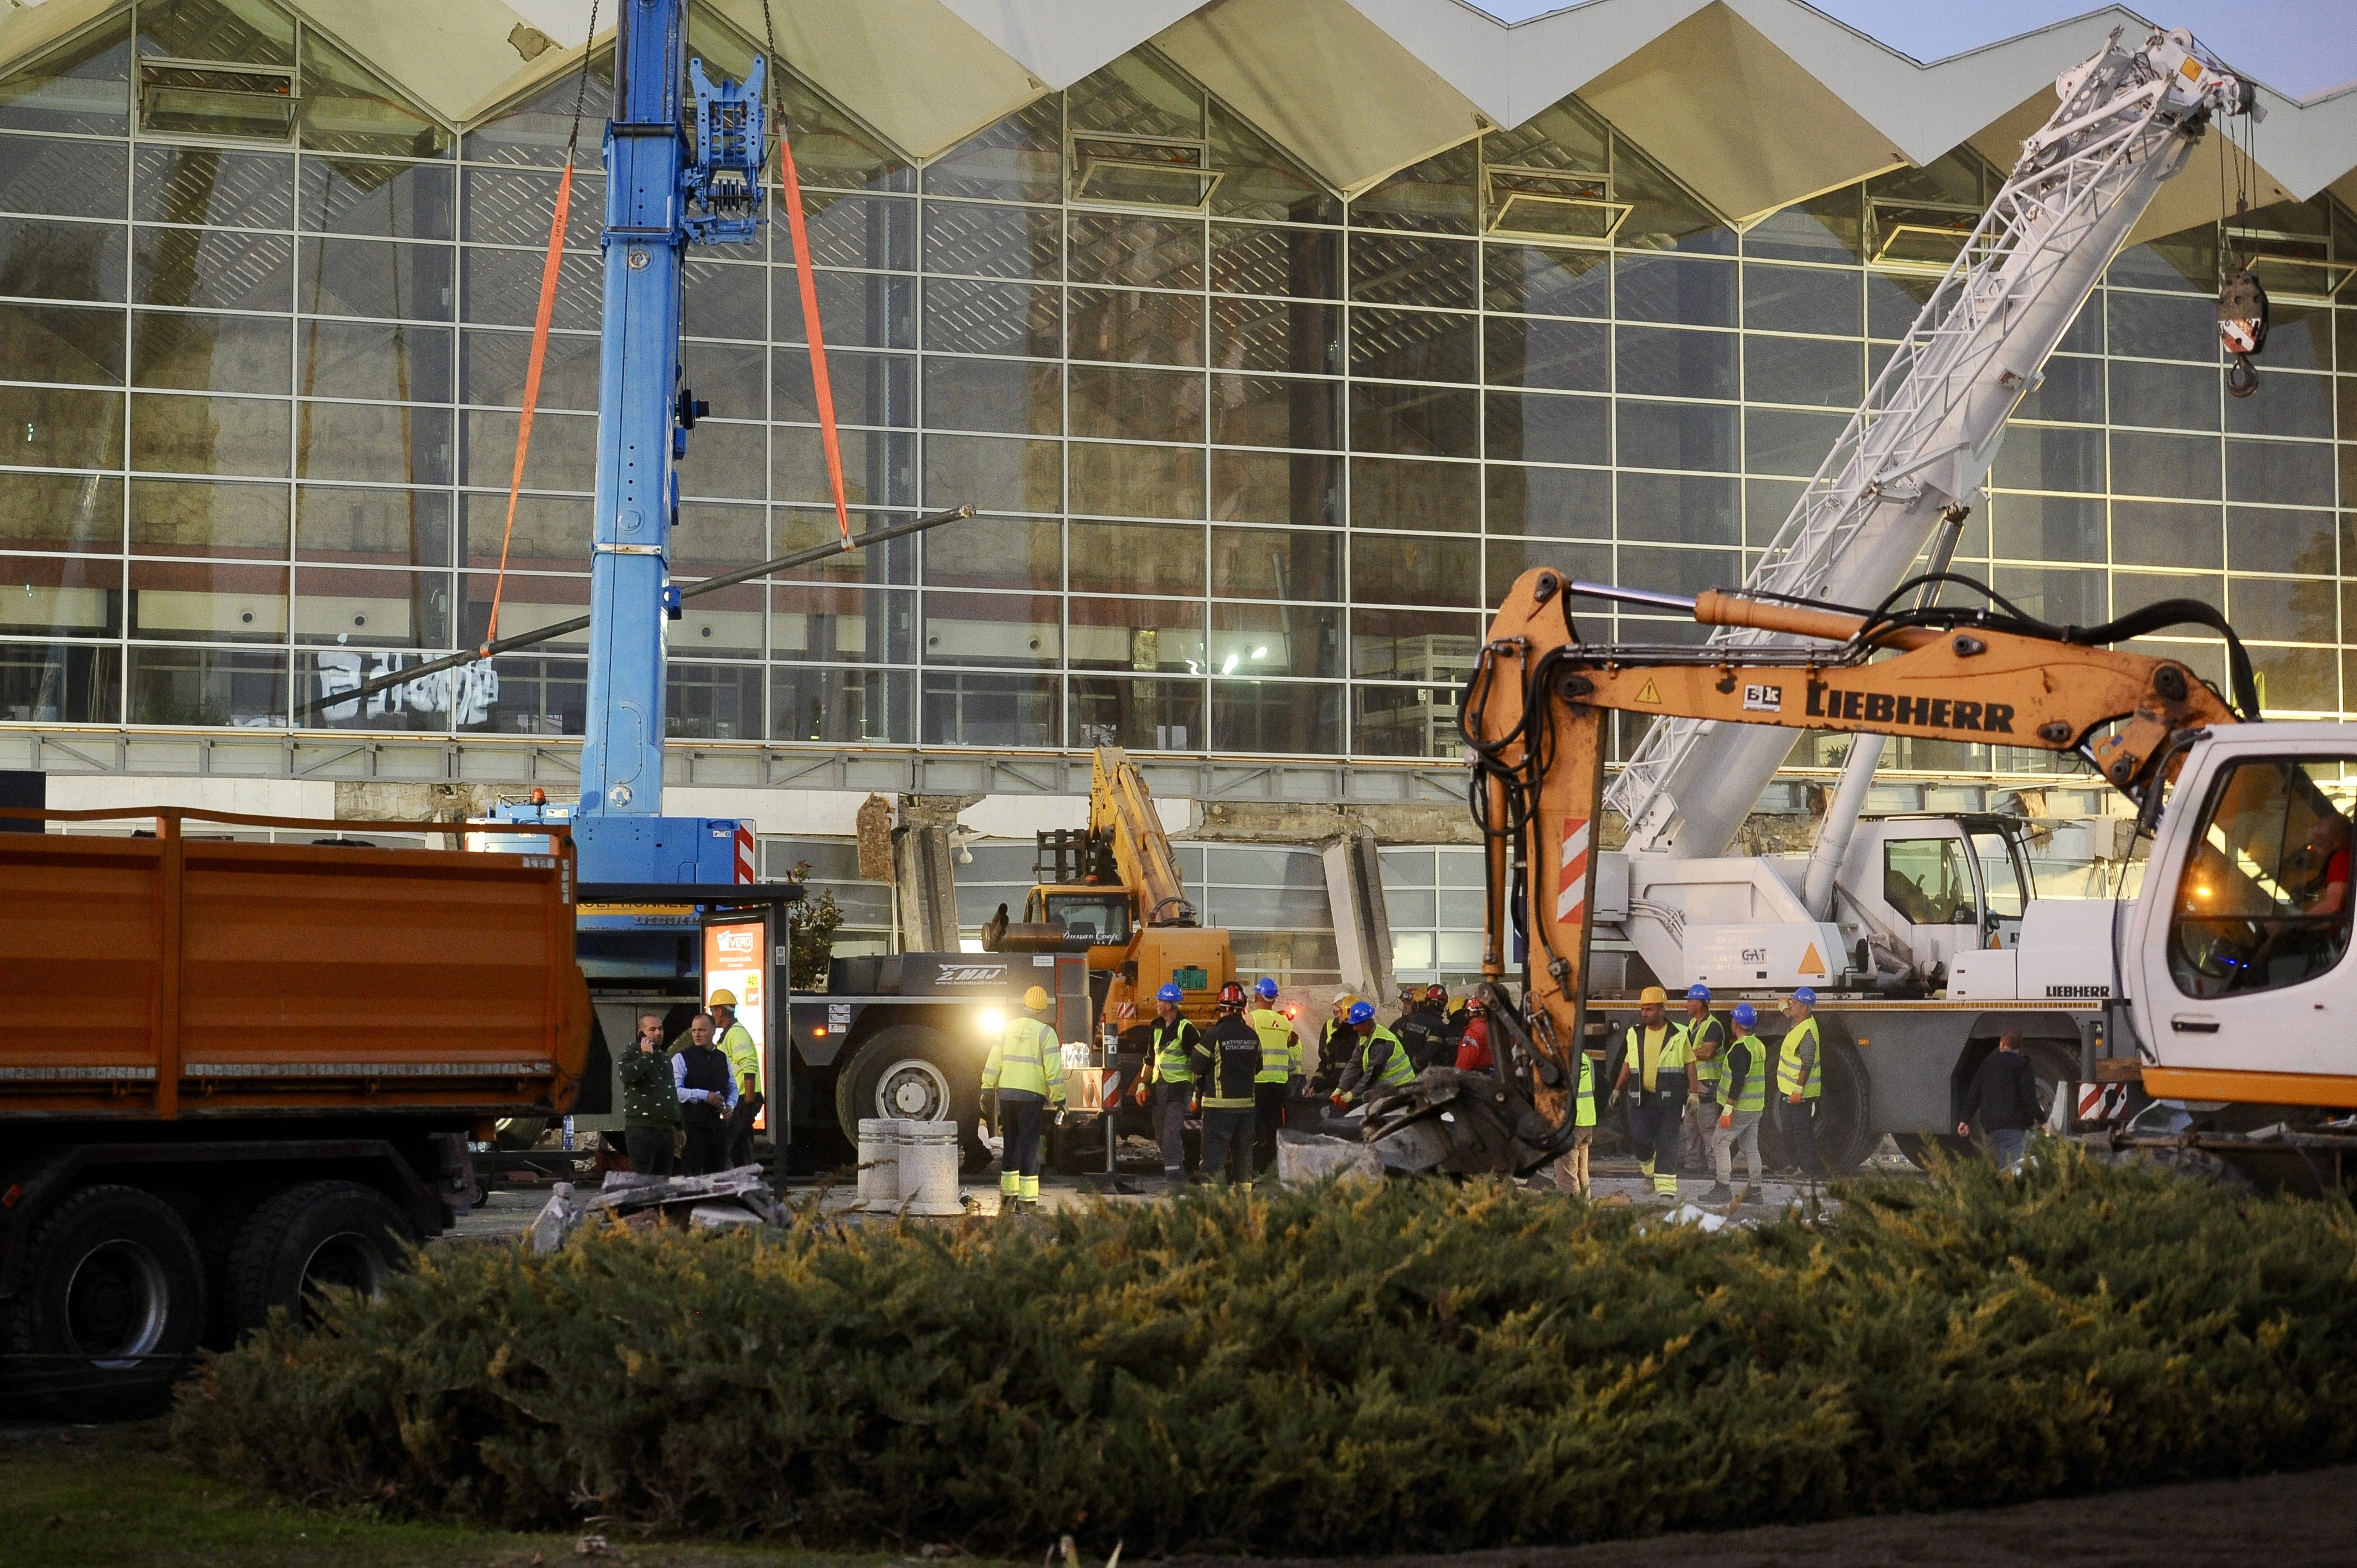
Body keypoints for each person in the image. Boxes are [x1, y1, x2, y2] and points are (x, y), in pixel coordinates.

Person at [981, 985, 1065, 1209]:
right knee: (1029, 1148)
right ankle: (1027, 1203)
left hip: (1007, 1095)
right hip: (1031, 1096)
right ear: (1043, 1009)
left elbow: (994, 1061)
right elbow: (1054, 1070)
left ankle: (1008, 1200)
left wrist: (987, 1089)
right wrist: (1060, 1099)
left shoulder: (1006, 1028)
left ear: (1024, 1004)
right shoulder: (1046, 1033)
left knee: (1010, 1146)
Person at [1612, 985, 1688, 1199]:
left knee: (1667, 1142)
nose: (1645, 1014)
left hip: (1669, 1099)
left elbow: (1690, 1062)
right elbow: (1628, 1061)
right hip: (1641, 1098)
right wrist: (1618, 1088)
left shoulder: (1679, 1034)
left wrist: (1693, 1093)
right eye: (1643, 1009)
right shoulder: (1634, 1034)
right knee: (1639, 1138)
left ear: (1662, 1010)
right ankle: (1649, 1172)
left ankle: (1667, 1192)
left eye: (1650, 1009)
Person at [1133, 983, 1202, 1193]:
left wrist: (1196, 1095)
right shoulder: (1157, 1029)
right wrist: (1142, 1085)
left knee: (1171, 1135)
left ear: (1170, 1005)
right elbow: (1150, 1060)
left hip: (1179, 1090)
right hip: (1159, 1090)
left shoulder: (1186, 1029)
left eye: (1160, 1001)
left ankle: (1176, 1183)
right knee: (1162, 1136)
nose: (1157, 1004)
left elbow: (1199, 1065)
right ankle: (1180, 1173)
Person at [1193, 981, 1264, 1188]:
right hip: (1246, 1109)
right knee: (1243, 1160)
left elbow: (1196, 1065)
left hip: (1218, 1108)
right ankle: (1244, 1205)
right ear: (1242, 1009)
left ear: (1222, 1009)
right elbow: (1258, 1067)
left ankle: (1214, 1208)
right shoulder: (1253, 1036)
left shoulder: (1214, 1036)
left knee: (1213, 1159)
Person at [1705, 1003, 1768, 1203]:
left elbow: (1738, 1080)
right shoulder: (1758, 1045)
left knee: (1720, 1142)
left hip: (1739, 1109)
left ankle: (1723, 1187)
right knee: (1751, 1147)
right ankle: (1755, 1190)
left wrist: (1728, 1109)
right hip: (1755, 1108)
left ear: (1736, 1024)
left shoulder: (1739, 1050)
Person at [1958, 1030, 2039, 1171]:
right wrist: (2042, 1120)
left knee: (2001, 1166)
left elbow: (1974, 1095)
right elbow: (2029, 1098)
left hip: (1990, 1128)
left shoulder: (1987, 1064)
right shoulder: (2023, 1065)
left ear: (2002, 1045)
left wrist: (1965, 1120)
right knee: (2011, 1171)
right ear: (2019, 1048)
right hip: (2013, 1128)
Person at [1247, 977, 1303, 1174]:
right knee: (1275, 1130)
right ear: (1273, 1000)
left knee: (1251, 1129)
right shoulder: (1285, 1023)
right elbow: (1291, 1043)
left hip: (1256, 1082)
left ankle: (1252, 1169)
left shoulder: (1250, 1019)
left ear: (1256, 996)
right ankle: (1275, 1171)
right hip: (1279, 1084)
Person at [672, 1012, 737, 1175]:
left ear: (713, 1031)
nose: (697, 1035)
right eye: (694, 1031)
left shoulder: (722, 1058)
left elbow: (733, 1088)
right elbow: (676, 1092)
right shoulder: (682, 1058)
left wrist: (730, 1105)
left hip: (719, 1131)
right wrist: (704, 1096)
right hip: (694, 1130)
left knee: (717, 1179)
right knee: (691, 1178)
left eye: (702, 1030)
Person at [617, 1011, 680, 1175]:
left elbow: (671, 1091)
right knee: (641, 1181)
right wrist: (646, 1056)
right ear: (641, 1034)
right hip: (642, 1129)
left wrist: (679, 1126)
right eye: (653, 1029)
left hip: (666, 1131)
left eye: (660, 1029)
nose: (658, 1033)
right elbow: (626, 1075)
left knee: (663, 1181)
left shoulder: (665, 1058)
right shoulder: (631, 1054)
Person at [1776, 986, 1825, 1178]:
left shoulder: (1807, 1032)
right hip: (1788, 1090)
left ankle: (1809, 1168)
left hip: (1800, 1093)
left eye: (1794, 1003)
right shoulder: (1799, 1022)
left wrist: (1798, 1089)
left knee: (1802, 1130)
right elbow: (1790, 1016)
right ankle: (1792, 1164)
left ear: (1804, 1008)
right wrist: (1783, 1008)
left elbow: (1807, 1062)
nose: (1791, 1004)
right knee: (1788, 1128)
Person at [1678, 984, 1725, 1178]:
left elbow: (1708, 1052)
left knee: (1708, 1127)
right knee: (1692, 1126)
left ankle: (1715, 1167)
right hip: (1695, 1084)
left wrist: (1683, 1054)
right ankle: (1694, 1164)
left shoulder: (1712, 1026)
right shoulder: (1694, 1025)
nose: (1687, 1004)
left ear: (1699, 1003)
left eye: (1689, 1000)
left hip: (1708, 1084)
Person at [1331, 1000, 1412, 1109]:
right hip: (1388, 1089)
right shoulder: (1364, 1037)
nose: (1354, 1028)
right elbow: (1354, 1064)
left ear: (1367, 1023)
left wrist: (1352, 1095)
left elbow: (1372, 1074)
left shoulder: (1381, 1042)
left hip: (1401, 1089)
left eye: (1357, 1024)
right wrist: (1341, 1088)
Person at [1550, 1041, 1599, 1197]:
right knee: (1581, 1173)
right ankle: (1586, 1209)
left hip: (1569, 1123)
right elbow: (1593, 1086)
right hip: (1586, 1120)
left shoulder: (1559, 1062)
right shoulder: (1586, 1059)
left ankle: (1573, 1212)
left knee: (1567, 1175)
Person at [1314, 987, 1361, 1094]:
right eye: (1336, 1012)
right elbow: (1323, 1055)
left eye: (1340, 1011)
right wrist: (1316, 1084)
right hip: (1334, 1082)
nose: (1338, 1015)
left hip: (1352, 1087)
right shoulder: (1330, 1027)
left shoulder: (1360, 1031)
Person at [1396, 983, 1450, 1071]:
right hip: (1425, 1074)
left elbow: (1397, 1043)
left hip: (1403, 1070)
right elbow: (1429, 1051)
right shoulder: (1437, 1025)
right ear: (1441, 1005)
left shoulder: (1410, 1019)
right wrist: (1415, 1066)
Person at [2306, 811, 2350, 918]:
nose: (2314, 850)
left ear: (2338, 844)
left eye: (2319, 843)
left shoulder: (2342, 858)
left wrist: (2288, 925)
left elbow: (2332, 907)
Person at [1453, 991, 1493, 1073]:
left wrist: (1456, 1076)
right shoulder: (1492, 1029)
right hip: (1492, 1076)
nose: (1465, 1015)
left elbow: (1466, 1060)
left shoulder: (1473, 1033)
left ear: (1473, 1013)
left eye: (1467, 1011)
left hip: (1476, 1078)